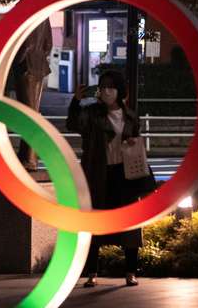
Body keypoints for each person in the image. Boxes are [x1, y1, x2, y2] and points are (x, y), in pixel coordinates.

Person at [66, 71, 154, 287]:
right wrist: (76, 101)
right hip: (99, 173)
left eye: (111, 87)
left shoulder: (130, 116)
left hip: (125, 174)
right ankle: (92, 272)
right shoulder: (92, 113)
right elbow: (73, 124)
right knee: (95, 222)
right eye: (103, 86)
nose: (106, 91)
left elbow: (135, 138)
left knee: (130, 223)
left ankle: (131, 271)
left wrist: (132, 142)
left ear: (119, 91)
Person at [11, 0, 53, 171]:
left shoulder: (25, 5)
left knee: (28, 113)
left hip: (26, 66)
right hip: (39, 65)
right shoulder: (42, 7)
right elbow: (48, 44)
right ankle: (27, 155)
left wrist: (16, 60)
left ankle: (30, 158)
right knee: (32, 111)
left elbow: (25, 40)